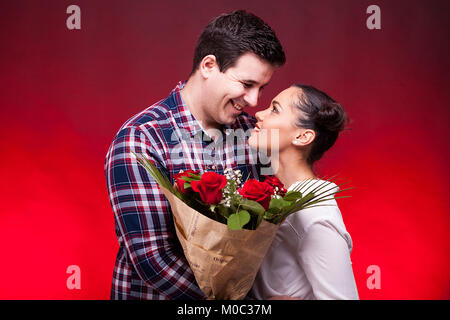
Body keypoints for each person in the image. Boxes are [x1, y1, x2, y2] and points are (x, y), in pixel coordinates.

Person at [104, 10, 285, 300]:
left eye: (262, 88)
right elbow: (153, 259)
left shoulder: (254, 134)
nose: (254, 100)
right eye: (247, 84)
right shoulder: (143, 138)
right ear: (209, 66)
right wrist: (245, 304)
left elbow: (269, 232)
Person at [248, 84, 359, 300]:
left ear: (302, 137)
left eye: (275, 109)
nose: (258, 113)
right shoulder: (272, 195)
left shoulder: (316, 216)